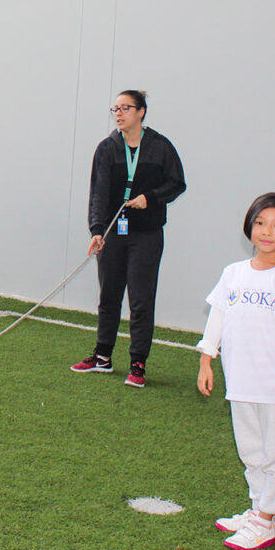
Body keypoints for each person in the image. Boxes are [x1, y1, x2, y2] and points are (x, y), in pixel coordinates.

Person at [194, 193, 275, 550]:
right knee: (250, 450)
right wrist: (206, 360)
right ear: (249, 227)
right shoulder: (233, 273)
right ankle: (257, 507)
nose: (267, 231)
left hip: (274, 386)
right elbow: (217, 319)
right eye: (260, 223)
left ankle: (266, 520)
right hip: (240, 381)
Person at [71, 90, 185, 388]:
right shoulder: (107, 148)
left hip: (147, 234)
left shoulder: (160, 147)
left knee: (141, 300)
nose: (119, 114)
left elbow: (177, 183)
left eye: (126, 108)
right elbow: (98, 193)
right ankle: (103, 357)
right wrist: (97, 230)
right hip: (113, 233)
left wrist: (151, 198)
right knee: (108, 296)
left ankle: (138, 363)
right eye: (115, 109)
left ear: (141, 112)